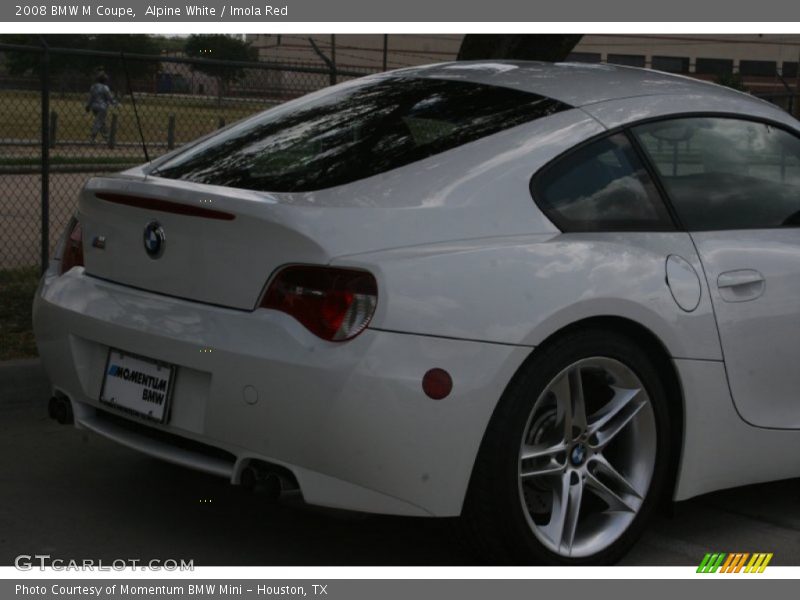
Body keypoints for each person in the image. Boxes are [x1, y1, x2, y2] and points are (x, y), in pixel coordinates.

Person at [85, 73, 118, 143]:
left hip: (94, 107)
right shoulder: (105, 88)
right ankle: (92, 138)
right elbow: (110, 98)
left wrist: (88, 106)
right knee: (98, 122)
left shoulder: (93, 87)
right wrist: (115, 103)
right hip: (102, 107)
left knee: (101, 122)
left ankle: (107, 138)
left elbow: (91, 98)